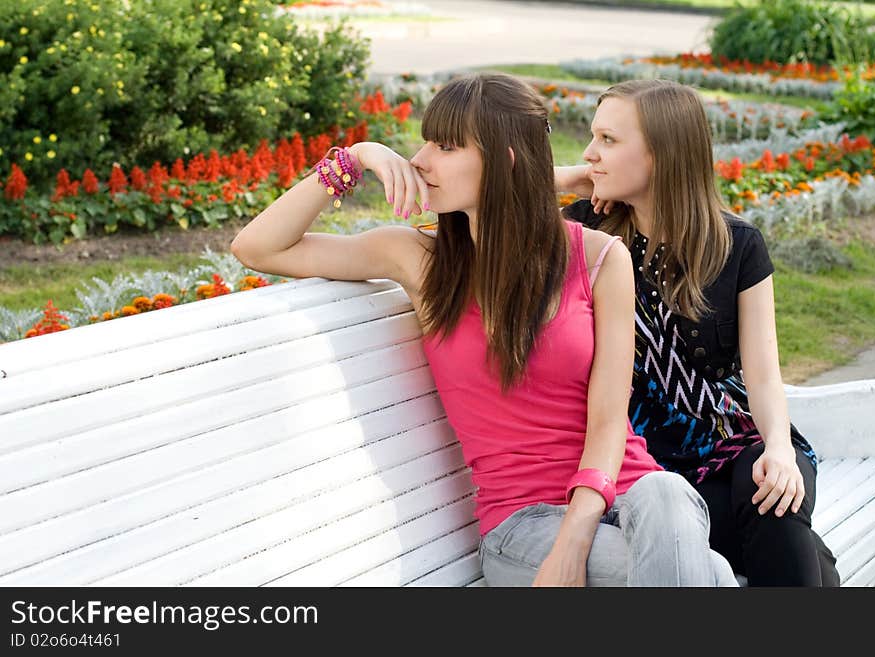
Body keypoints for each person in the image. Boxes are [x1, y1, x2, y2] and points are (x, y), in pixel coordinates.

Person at [230, 72, 736, 587]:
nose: (421, 160)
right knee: (710, 574)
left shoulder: (600, 259)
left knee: (667, 492)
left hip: (628, 496)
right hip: (524, 521)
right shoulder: (421, 260)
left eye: (446, 146)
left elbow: (609, 422)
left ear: (504, 162)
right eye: (426, 143)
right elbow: (259, 247)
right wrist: (357, 157)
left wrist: (574, 543)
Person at [557, 78, 840, 586]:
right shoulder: (585, 233)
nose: (590, 151)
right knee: (796, 550)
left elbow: (764, 372)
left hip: (740, 439)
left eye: (608, 140)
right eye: (593, 139)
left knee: (773, 491)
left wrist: (778, 446)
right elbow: (483, 209)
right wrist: (576, 178)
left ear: (662, 155)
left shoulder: (738, 245)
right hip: (653, 473)